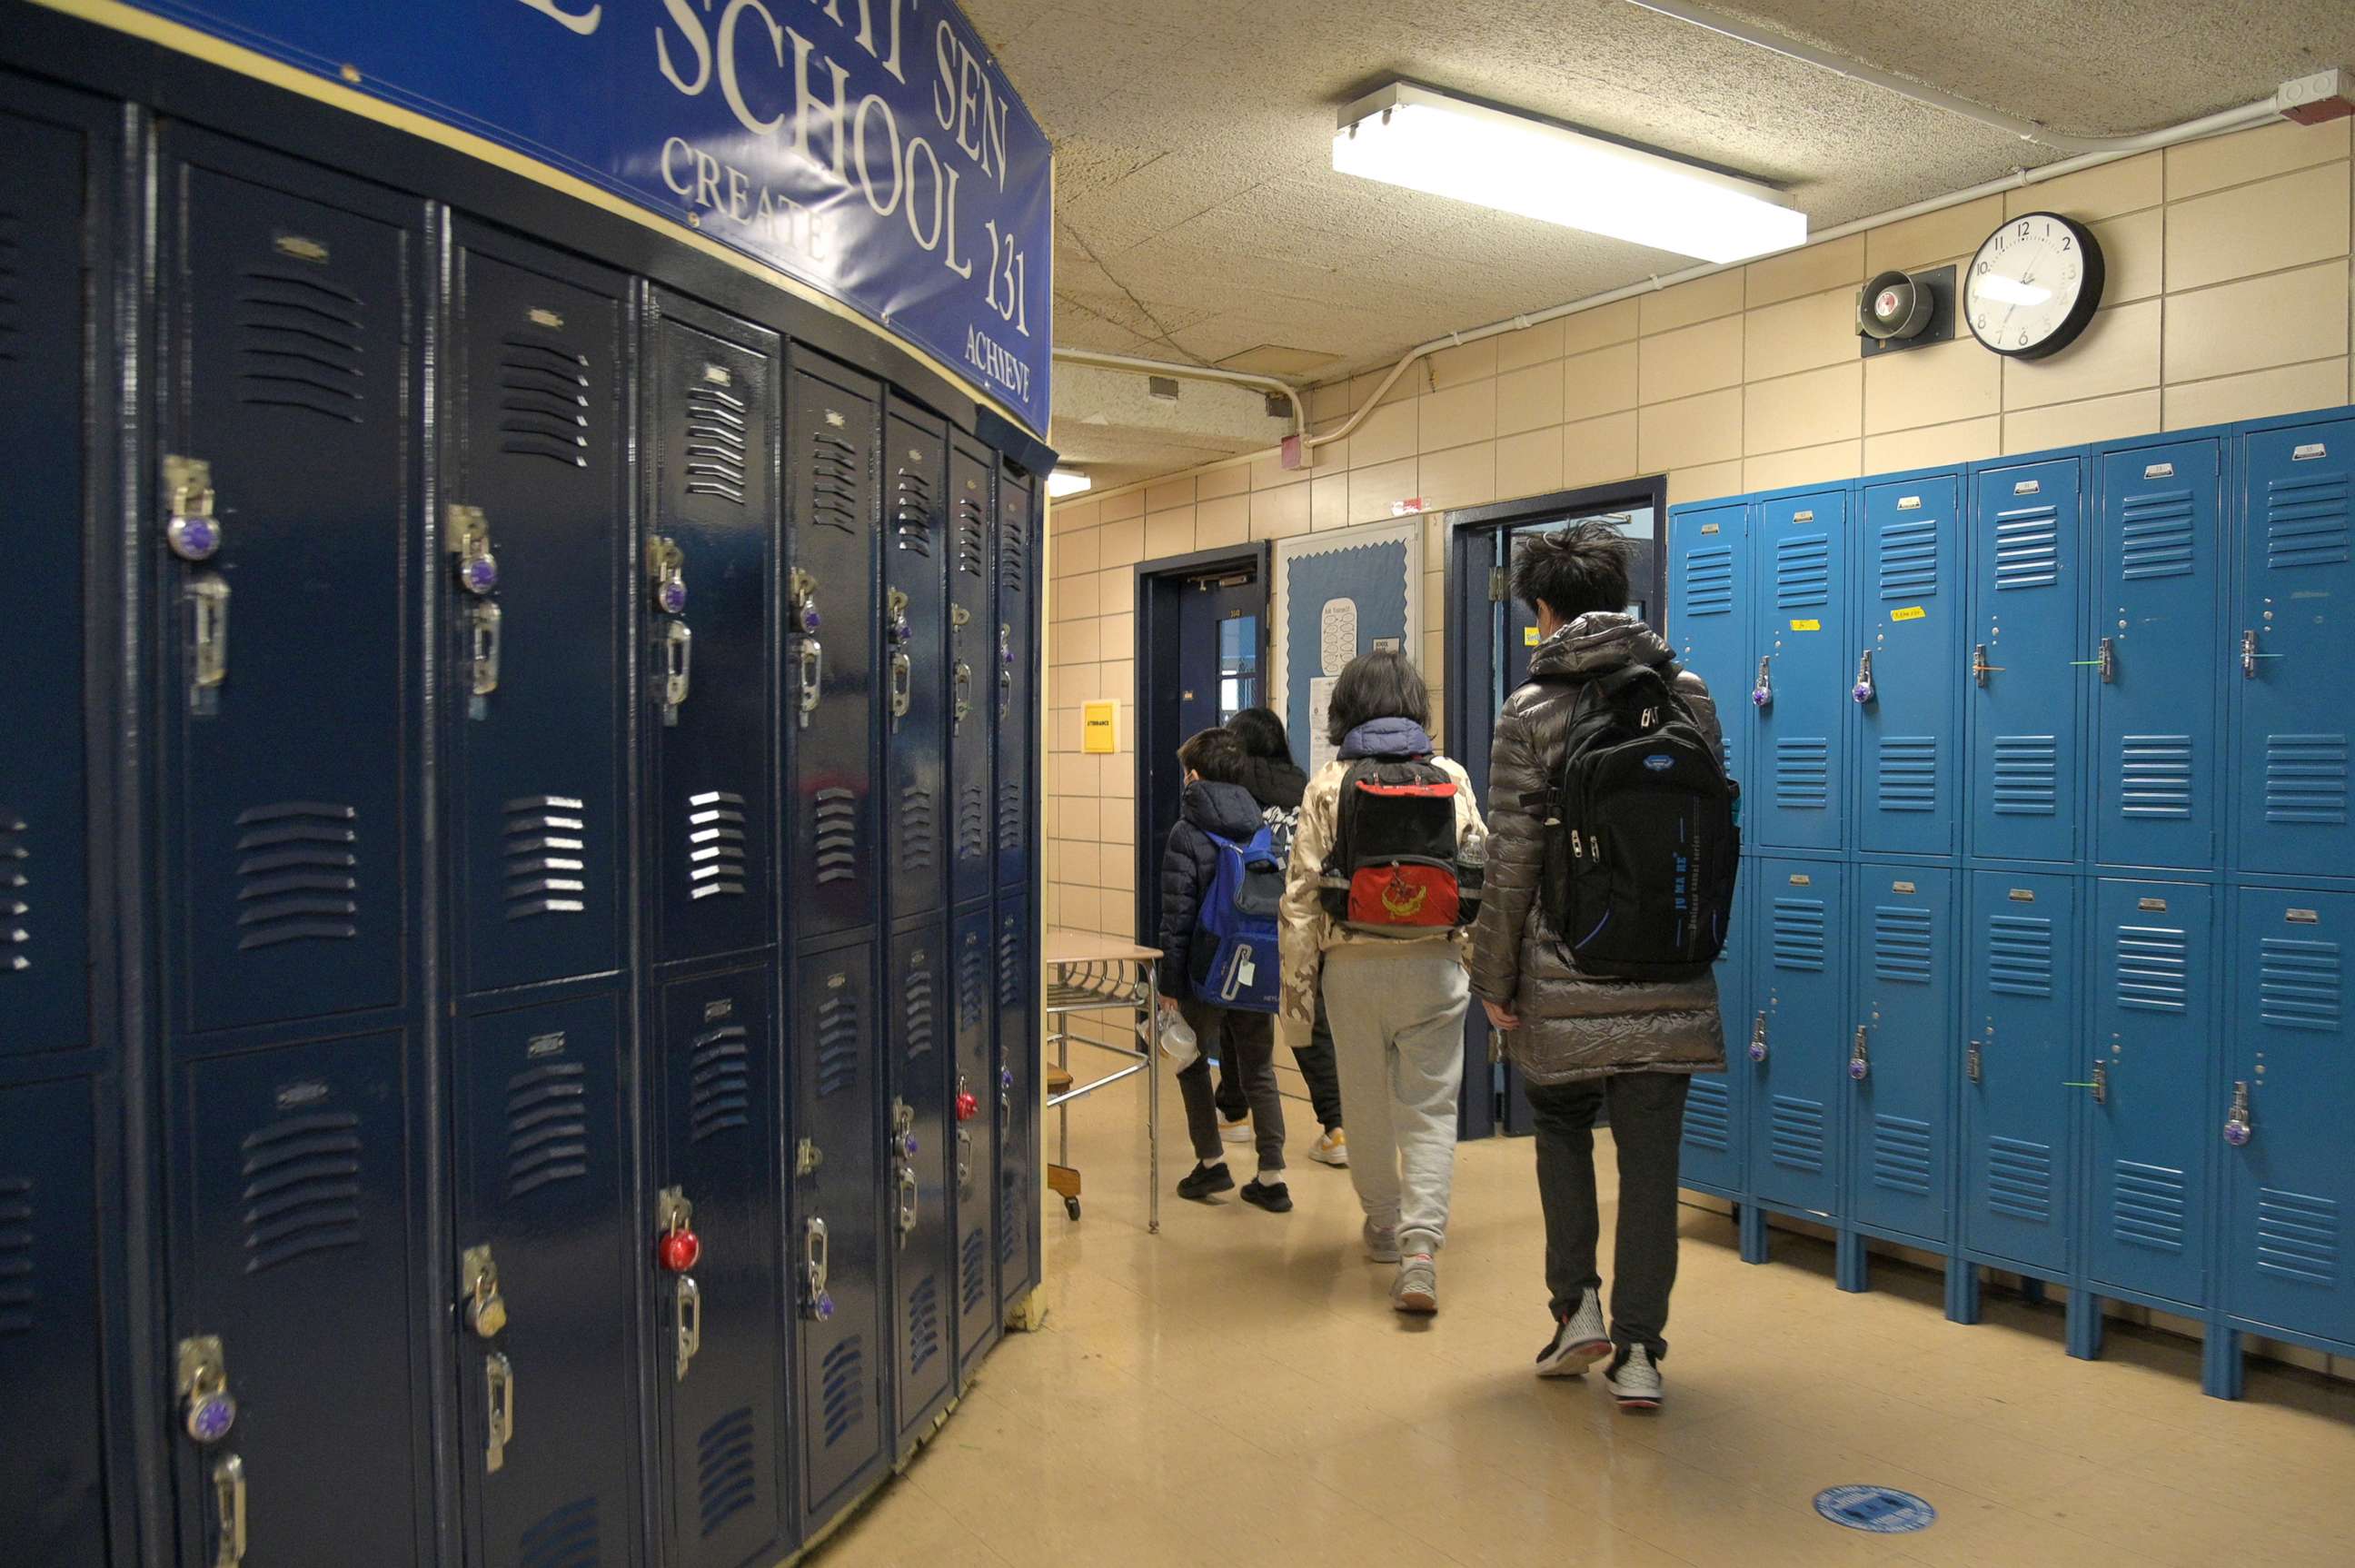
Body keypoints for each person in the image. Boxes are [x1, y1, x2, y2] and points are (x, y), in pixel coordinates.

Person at [1468, 521, 1728, 1411]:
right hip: (1672, 973)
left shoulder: (1529, 710)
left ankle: (1578, 1308)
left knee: (1562, 1134)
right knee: (1652, 1167)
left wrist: (1492, 982)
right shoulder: (1689, 695)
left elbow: (1511, 865)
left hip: (1563, 973)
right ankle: (1644, 1353)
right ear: (1621, 592)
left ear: (1543, 608)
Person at [1277, 652, 1486, 1312]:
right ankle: (1422, 1252)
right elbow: (1480, 874)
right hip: (1433, 965)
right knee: (1428, 1109)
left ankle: (1384, 1227)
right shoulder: (1450, 776)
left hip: (1353, 971)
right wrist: (1476, 967)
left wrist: (1297, 1001)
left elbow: (1301, 900)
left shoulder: (1329, 784)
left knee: (1365, 1107)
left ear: (1345, 708)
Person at [1157, 727, 1291, 1211]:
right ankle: (1273, 1177)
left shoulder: (1187, 833)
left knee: (1191, 1060)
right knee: (1258, 1067)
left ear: (1194, 776)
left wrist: (1170, 985)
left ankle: (1211, 1165)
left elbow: (1177, 916)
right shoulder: (1262, 828)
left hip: (1205, 967)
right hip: (1254, 962)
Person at [1215, 706, 1349, 1169]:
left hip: (1250, 921)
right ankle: (1336, 1127)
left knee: (1239, 1014)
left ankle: (1234, 1114)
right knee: (1310, 1022)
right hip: (1305, 921)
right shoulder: (1306, 789)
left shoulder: (1234, 797)